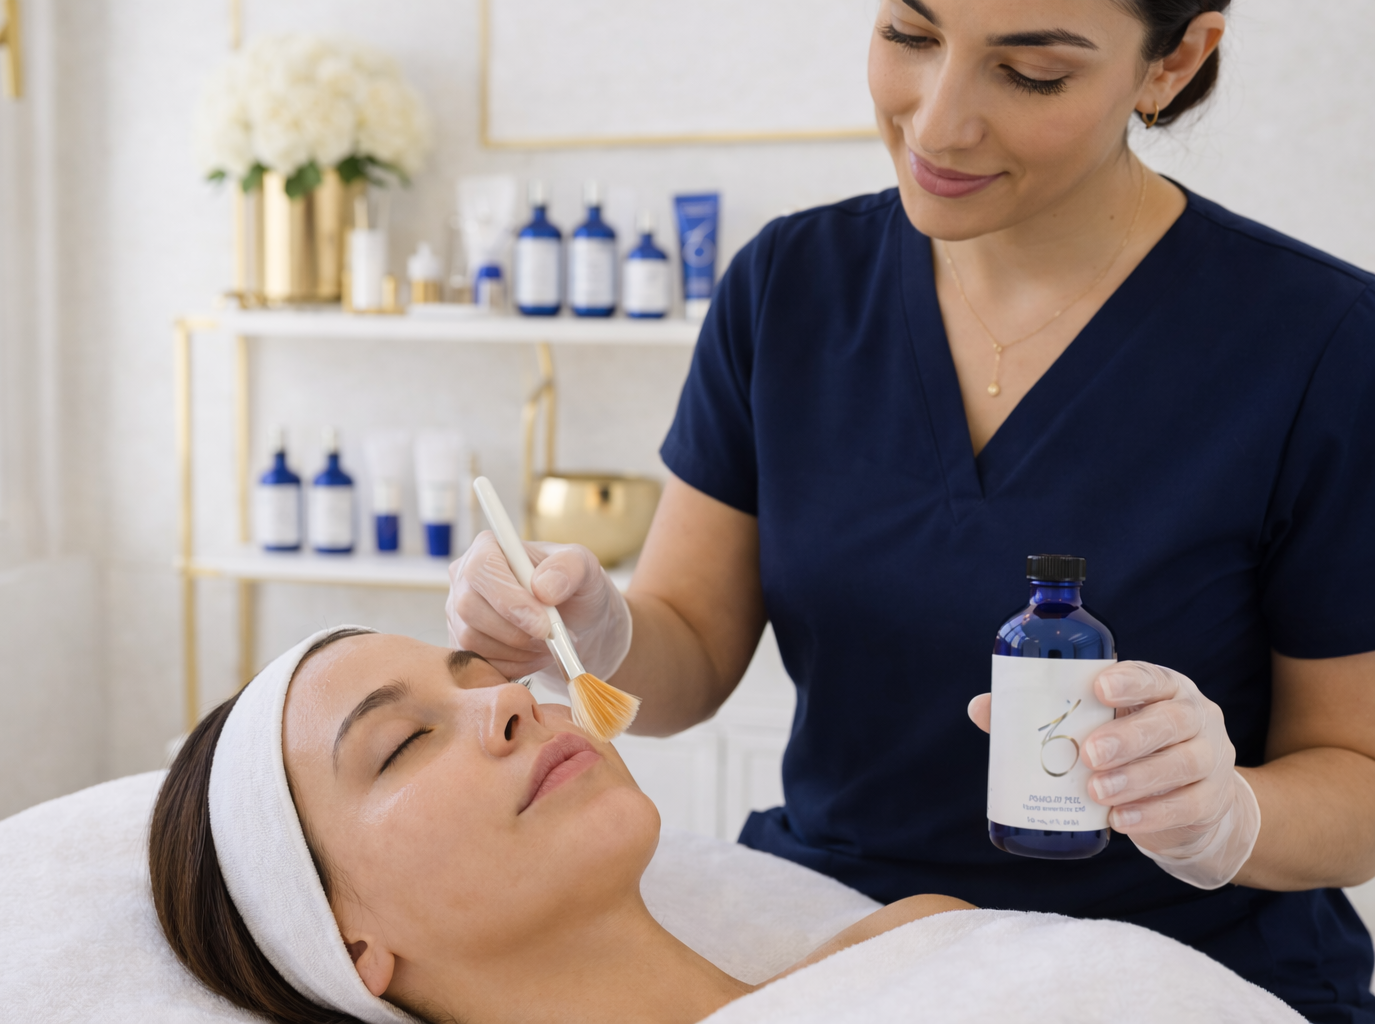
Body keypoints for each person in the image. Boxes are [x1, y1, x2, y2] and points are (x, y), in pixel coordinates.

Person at [446, 1, 1375, 1020]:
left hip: (1176, 968)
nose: (936, 125)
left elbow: (1358, 778)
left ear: (1175, 61)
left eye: (1030, 74)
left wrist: (1229, 816)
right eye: (911, 36)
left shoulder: (1321, 344)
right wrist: (596, 630)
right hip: (832, 938)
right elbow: (690, 658)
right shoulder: (788, 286)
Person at [148, 627, 972, 1024]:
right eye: (401, 743)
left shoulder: (919, 947)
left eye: (485, 677)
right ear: (348, 944)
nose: (510, 699)